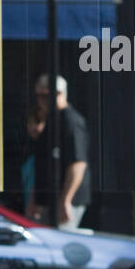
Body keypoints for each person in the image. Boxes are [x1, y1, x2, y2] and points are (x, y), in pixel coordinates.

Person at [28, 74, 91, 229]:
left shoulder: (70, 122)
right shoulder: (51, 120)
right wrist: (36, 198)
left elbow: (78, 164)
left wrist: (66, 200)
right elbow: (43, 163)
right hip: (49, 200)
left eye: (45, 95)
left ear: (60, 94)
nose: (41, 100)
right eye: (38, 95)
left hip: (64, 201)